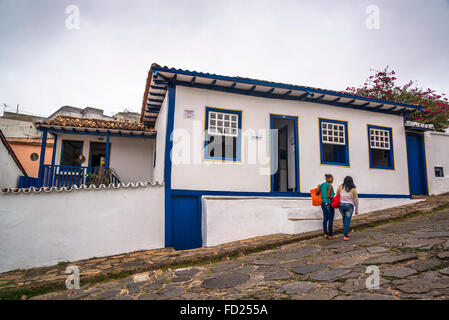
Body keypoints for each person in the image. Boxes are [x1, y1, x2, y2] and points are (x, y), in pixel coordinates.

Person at [336, 176, 359, 241]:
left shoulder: (340, 187)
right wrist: (356, 209)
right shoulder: (353, 189)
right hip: (349, 206)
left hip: (341, 206)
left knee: (344, 219)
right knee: (347, 220)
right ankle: (346, 235)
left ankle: (346, 232)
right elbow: (356, 200)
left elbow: (337, 195)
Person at [316, 174, 335, 239]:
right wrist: (334, 198)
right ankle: (330, 235)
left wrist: (318, 188)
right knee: (330, 219)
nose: (333, 180)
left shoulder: (322, 185)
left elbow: (317, 193)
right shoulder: (330, 185)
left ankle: (325, 234)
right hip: (329, 203)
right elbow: (329, 196)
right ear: (328, 179)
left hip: (323, 203)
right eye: (332, 178)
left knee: (325, 219)